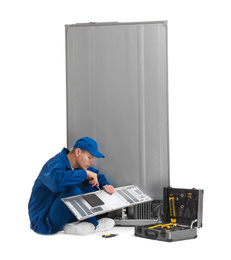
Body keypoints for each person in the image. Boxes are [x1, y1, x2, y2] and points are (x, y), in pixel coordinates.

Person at [28, 137, 115, 235]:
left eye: (93, 159)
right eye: (89, 157)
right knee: (73, 191)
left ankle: (74, 225)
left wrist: (106, 185)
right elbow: (56, 183)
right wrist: (85, 174)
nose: (92, 162)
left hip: (60, 212)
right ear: (78, 152)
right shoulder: (55, 163)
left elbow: (96, 176)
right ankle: (95, 225)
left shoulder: (77, 166)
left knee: (92, 186)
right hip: (44, 221)